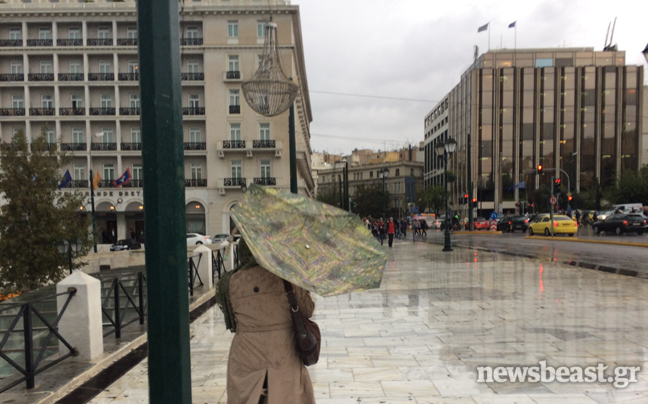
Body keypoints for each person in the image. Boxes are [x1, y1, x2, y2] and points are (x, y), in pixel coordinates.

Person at [216, 237, 316, 404]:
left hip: (245, 353)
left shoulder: (229, 282)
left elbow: (231, 320)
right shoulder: (287, 276)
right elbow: (307, 310)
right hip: (283, 351)